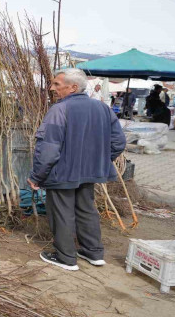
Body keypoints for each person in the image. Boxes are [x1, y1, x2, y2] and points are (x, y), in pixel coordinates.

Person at [27, 68, 126, 271]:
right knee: (86, 209)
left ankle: (65, 257)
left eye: (56, 84)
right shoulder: (103, 108)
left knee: (62, 213)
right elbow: (118, 142)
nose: (52, 88)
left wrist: (37, 176)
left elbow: (48, 148)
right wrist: (100, 161)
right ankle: (93, 252)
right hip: (89, 172)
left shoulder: (59, 110)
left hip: (62, 173)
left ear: (73, 87)